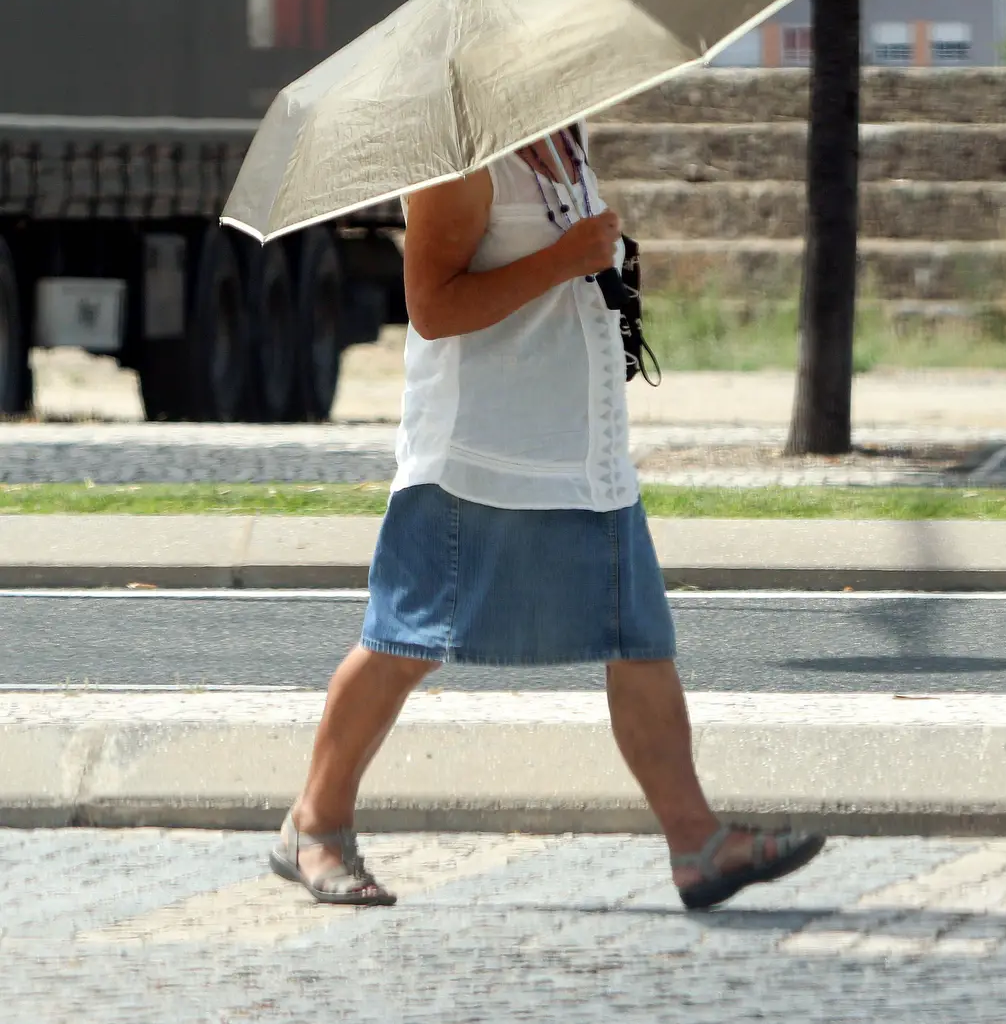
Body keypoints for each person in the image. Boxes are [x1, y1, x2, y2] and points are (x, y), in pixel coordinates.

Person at [269, 122, 824, 910]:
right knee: (403, 641)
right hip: (479, 455)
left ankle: (698, 843)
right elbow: (431, 307)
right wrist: (567, 259)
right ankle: (315, 825)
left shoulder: (564, 139)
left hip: (583, 452)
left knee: (638, 641)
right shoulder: (457, 157)